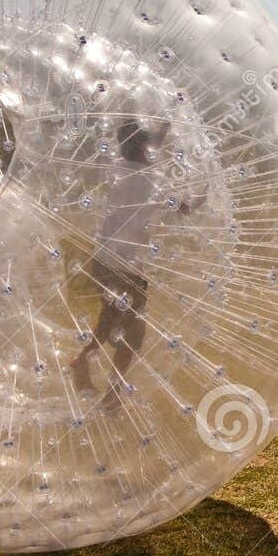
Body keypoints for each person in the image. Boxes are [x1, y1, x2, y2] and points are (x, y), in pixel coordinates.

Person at [69, 119, 186, 397]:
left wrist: (161, 130)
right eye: (146, 143)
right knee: (131, 334)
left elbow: (151, 145)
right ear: (140, 145)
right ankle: (109, 389)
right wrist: (206, 190)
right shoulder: (149, 178)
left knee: (110, 320)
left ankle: (85, 364)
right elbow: (185, 207)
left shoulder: (116, 170)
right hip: (127, 266)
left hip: (104, 259)